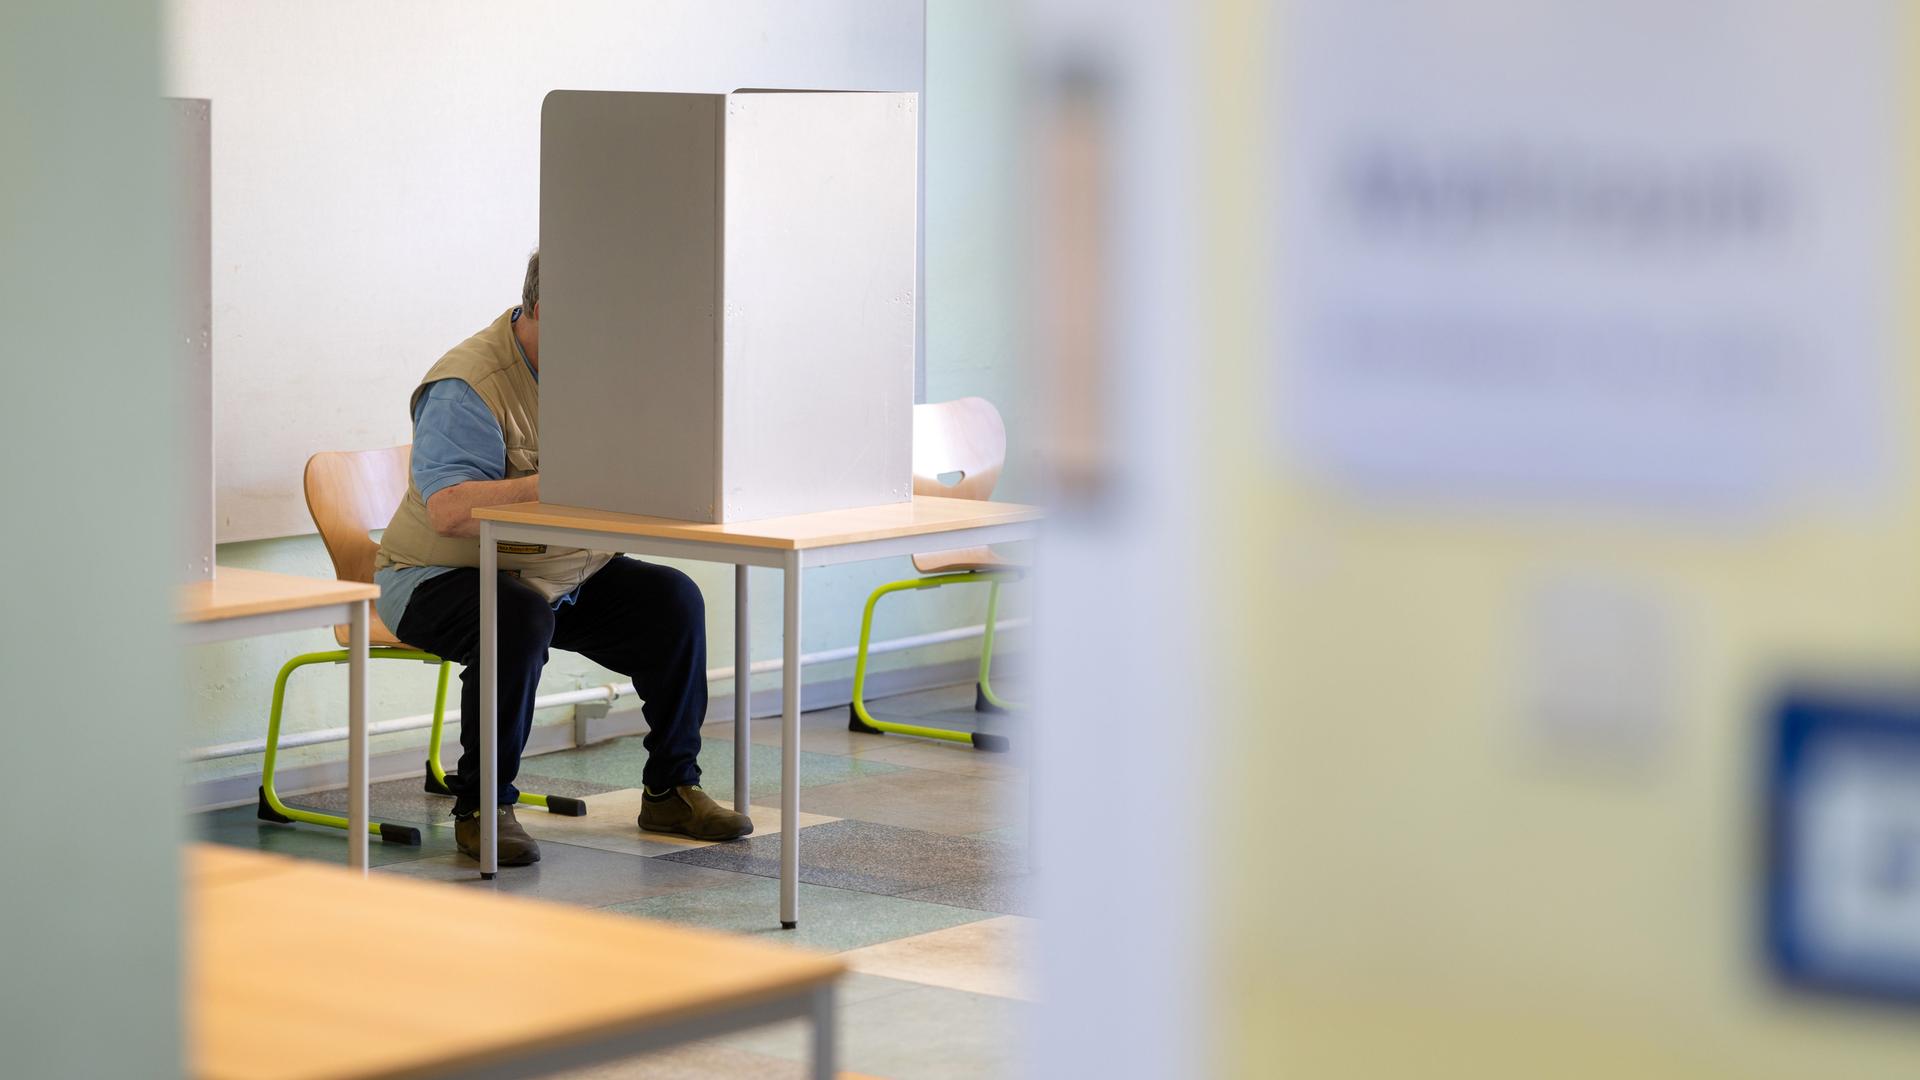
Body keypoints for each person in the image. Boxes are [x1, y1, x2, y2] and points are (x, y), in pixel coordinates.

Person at [373, 250, 751, 865]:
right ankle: (483, 806)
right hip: (437, 576)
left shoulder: (601, 372)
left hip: (562, 571)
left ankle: (670, 789)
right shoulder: (467, 384)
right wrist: (560, 482)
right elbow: (449, 510)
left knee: (673, 601)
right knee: (517, 617)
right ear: (543, 310)